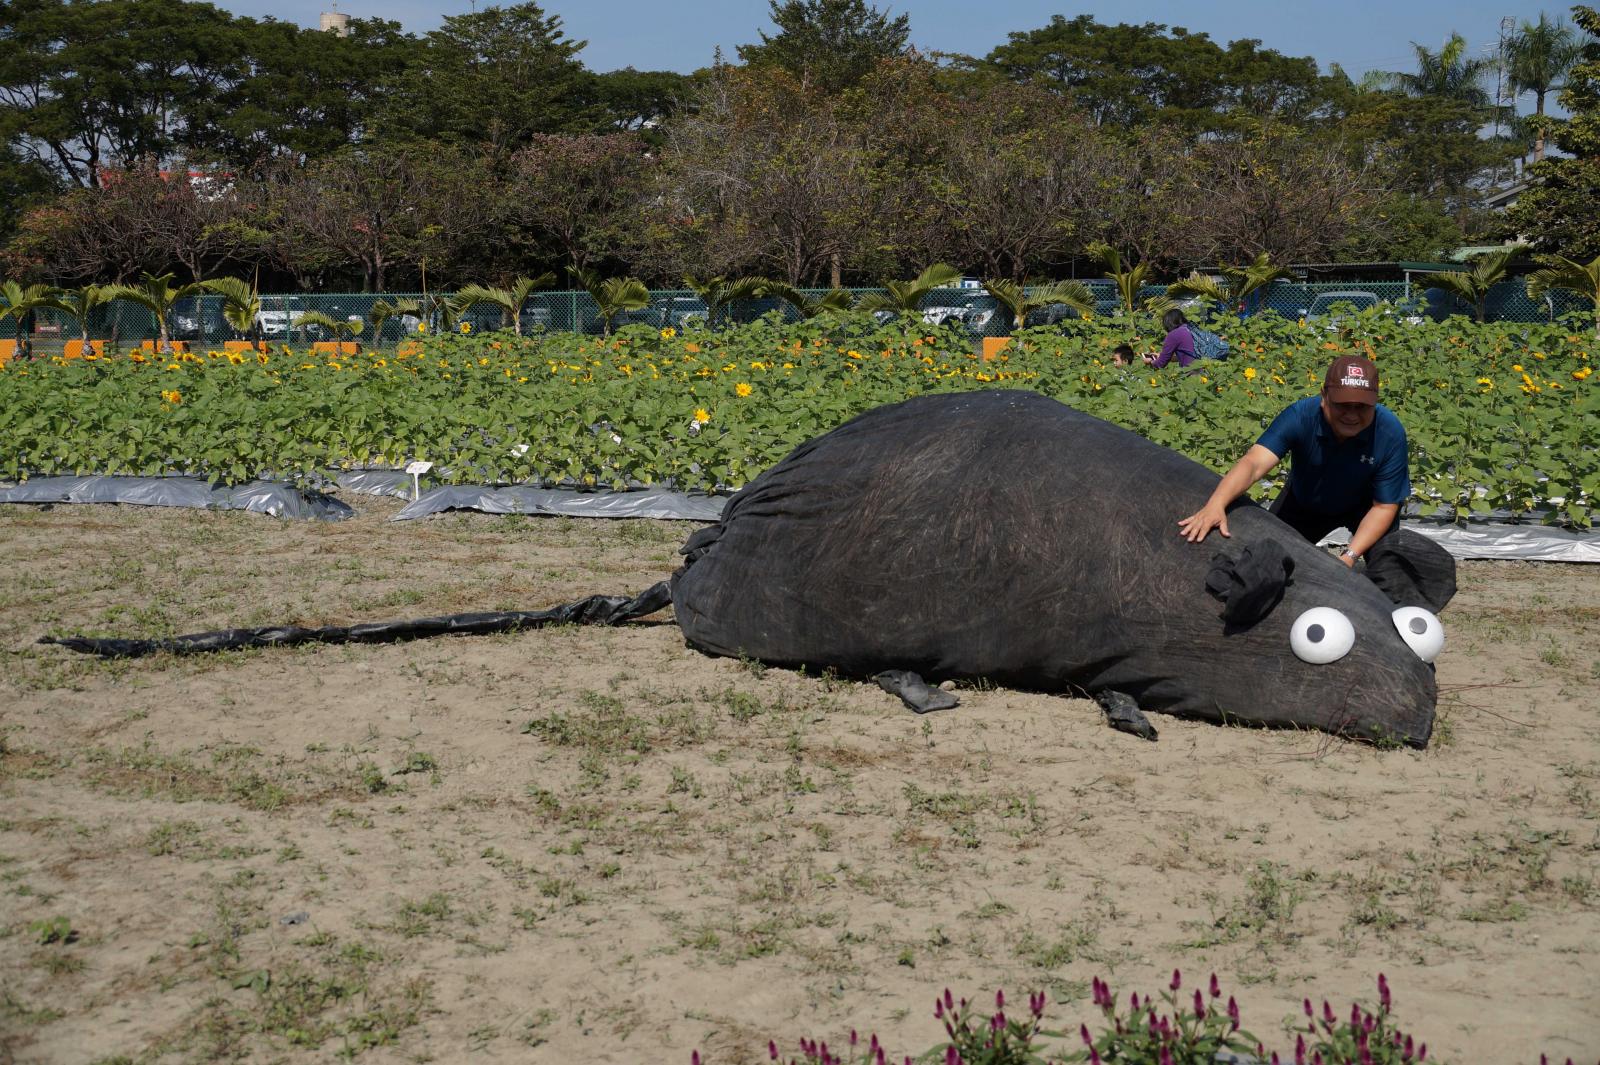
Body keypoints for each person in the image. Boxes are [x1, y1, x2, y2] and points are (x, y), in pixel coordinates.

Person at [1177, 355, 1408, 568]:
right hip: (1305, 502)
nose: (1351, 415)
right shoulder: (1300, 416)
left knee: (1391, 570)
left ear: (1375, 402)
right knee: (1265, 559)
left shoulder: (1389, 432)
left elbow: (1384, 506)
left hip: (1366, 509)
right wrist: (1216, 503)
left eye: (1361, 407)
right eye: (1342, 405)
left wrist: (1349, 556)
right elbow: (1254, 463)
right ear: (1324, 396)